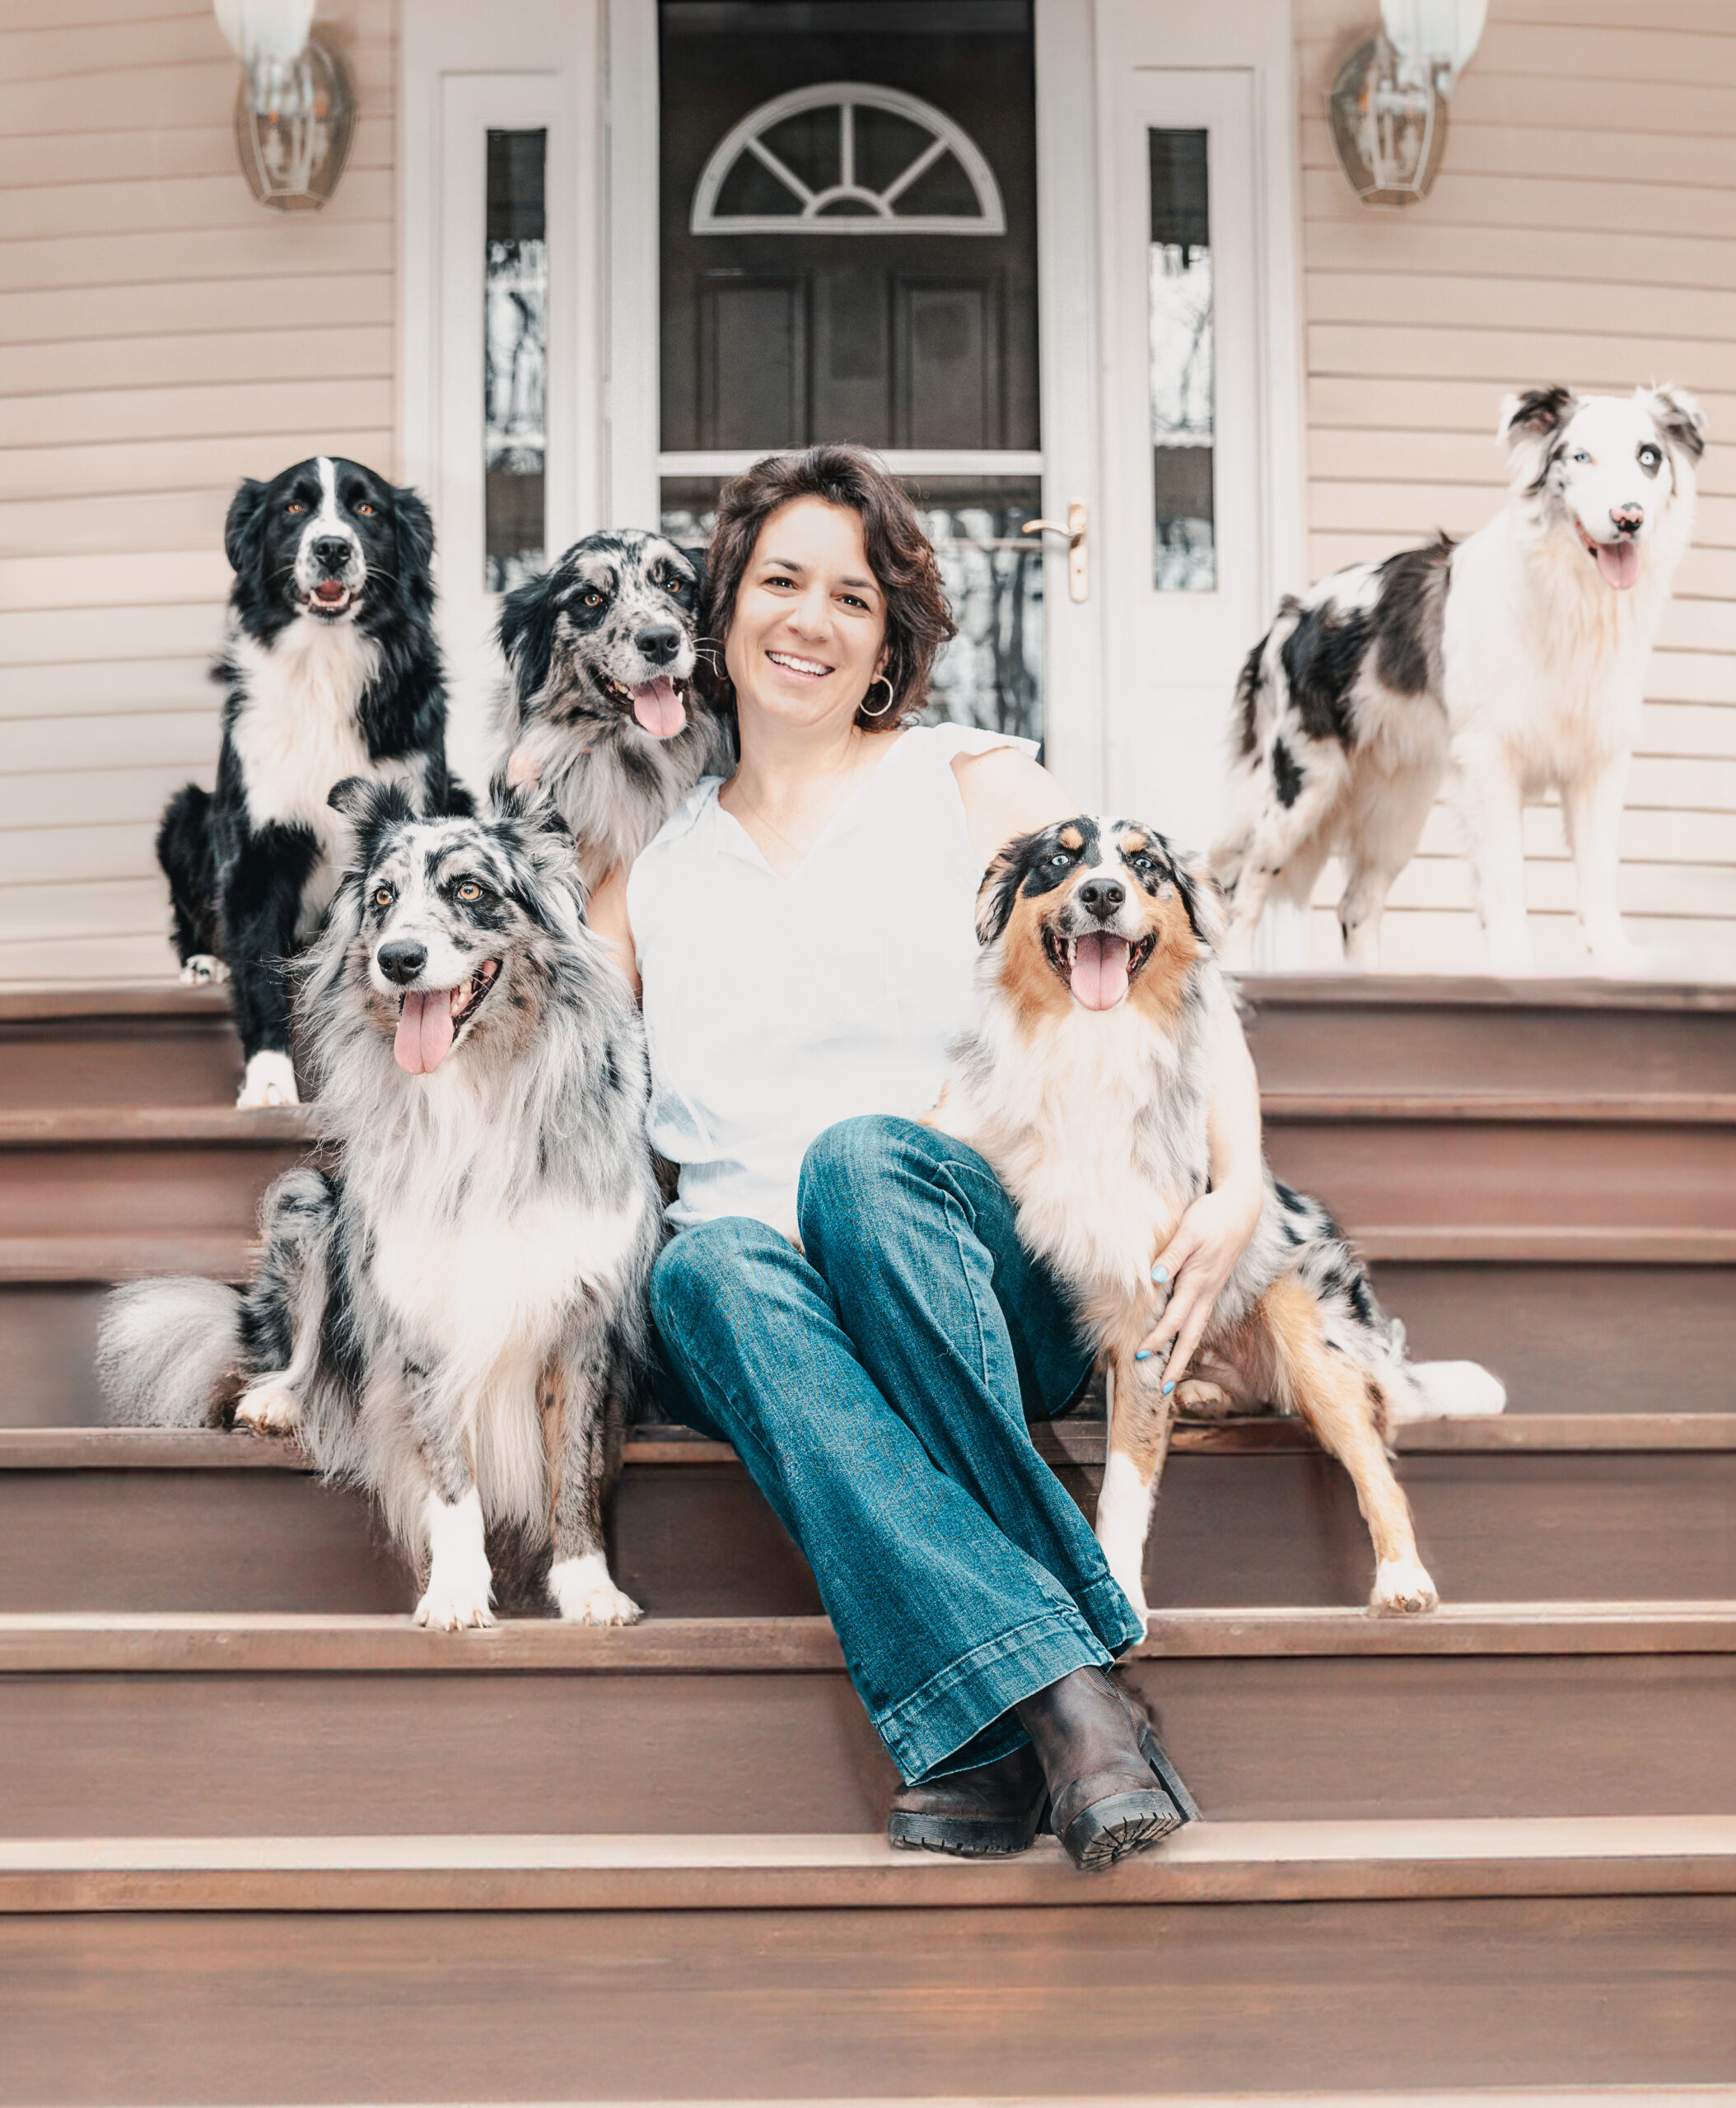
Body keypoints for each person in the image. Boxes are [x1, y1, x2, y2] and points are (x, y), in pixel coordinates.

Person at [588, 446, 1265, 1869]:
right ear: (722, 607)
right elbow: (548, 1088)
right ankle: (1070, 1704)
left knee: (857, 1165)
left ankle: (996, 1725)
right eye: (780, 582)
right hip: (765, 1327)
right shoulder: (645, 864)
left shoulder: (969, 780)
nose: (810, 621)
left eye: (852, 597)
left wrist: (1239, 1180)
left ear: (889, 636)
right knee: (707, 1266)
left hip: (968, 1267)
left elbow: (1167, 972)